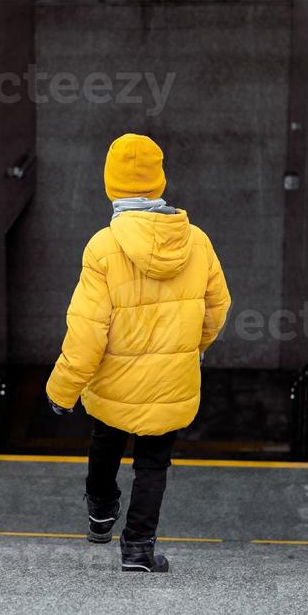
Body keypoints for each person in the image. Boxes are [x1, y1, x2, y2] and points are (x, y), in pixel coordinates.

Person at [46, 133, 231, 573]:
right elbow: (219, 308)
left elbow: (87, 331)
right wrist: (191, 348)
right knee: (154, 463)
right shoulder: (197, 242)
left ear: (111, 186)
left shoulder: (103, 247)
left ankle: (100, 512)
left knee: (105, 441)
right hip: (172, 381)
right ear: (158, 181)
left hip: (114, 380)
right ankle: (138, 550)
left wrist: (62, 389)